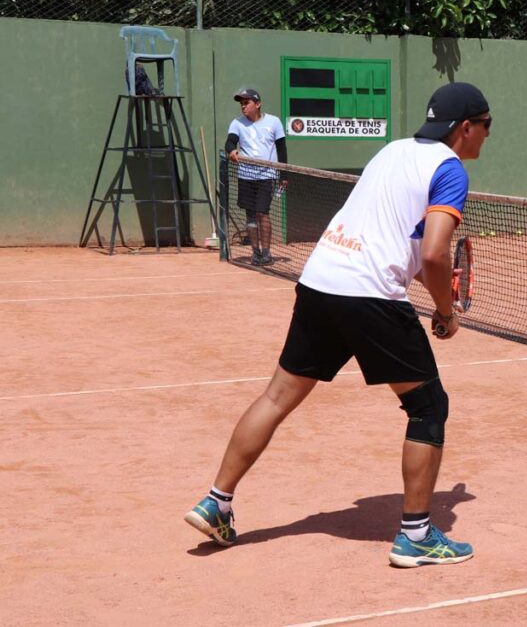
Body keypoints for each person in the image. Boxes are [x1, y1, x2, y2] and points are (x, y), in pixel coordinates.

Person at [185, 82, 492, 568]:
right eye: (486, 126)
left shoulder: (392, 151)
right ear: (466, 128)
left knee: (276, 396)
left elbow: (391, 232)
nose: (486, 137)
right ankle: (415, 535)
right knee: (427, 406)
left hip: (321, 278)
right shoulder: (450, 170)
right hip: (369, 293)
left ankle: (216, 502)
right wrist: (446, 312)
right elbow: (434, 252)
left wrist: (420, 277)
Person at [226, 88, 287, 266]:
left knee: (263, 213)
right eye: (241, 103)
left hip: (267, 176)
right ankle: (255, 253)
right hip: (245, 176)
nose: (243, 106)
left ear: (257, 104)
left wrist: (284, 174)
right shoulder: (237, 123)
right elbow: (230, 141)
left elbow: (282, 148)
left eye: (247, 103)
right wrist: (232, 150)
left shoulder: (274, 122)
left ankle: (267, 253)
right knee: (251, 215)